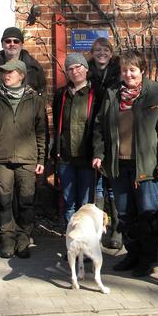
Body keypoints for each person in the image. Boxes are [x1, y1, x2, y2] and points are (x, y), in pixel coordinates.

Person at [92, 50, 158, 277]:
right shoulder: (112, 94)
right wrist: (99, 153)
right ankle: (132, 254)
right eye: (124, 70)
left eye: (132, 70)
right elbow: (100, 127)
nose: (128, 74)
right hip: (119, 166)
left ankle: (147, 259)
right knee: (125, 214)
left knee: (147, 216)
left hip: (147, 167)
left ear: (142, 70)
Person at [0, 59, 46, 259]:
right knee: (3, 201)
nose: (6, 75)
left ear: (22, 75)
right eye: (4, 72)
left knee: (26, 202)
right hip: (0, 158)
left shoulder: (35, 100)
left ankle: (23, 239)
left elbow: (42, 133)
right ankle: (7, 238)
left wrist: (41, 159)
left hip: (27, 159)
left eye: (10, 72)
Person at [52, 53, 96, 224]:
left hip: (86, 157)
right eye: (70, 69)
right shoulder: (61, 95)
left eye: (78, 67)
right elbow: (57, 124)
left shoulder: (96, 93)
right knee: (69, 202)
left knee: (85, 205)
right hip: (66, 157)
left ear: (85, 68)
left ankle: (85, 243)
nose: (74, 71)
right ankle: (71, 242)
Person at [88, 37, 122, 249]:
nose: (102, 53)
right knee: (98, 185)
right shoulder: (86, 72)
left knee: (113, 185)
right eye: (97, 50)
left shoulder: (119, 74)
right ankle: (98, 230)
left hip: (114, 131)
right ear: (92, 53)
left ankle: (117, 228)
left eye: (105, 50)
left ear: (111, 53)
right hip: (91, 131)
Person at [0, 27, 46, 98]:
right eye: (8, 41)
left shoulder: (34, 68)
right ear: (2, 44)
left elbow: (42, 94)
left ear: (21, 45)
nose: (12, 44)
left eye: (16, 41)